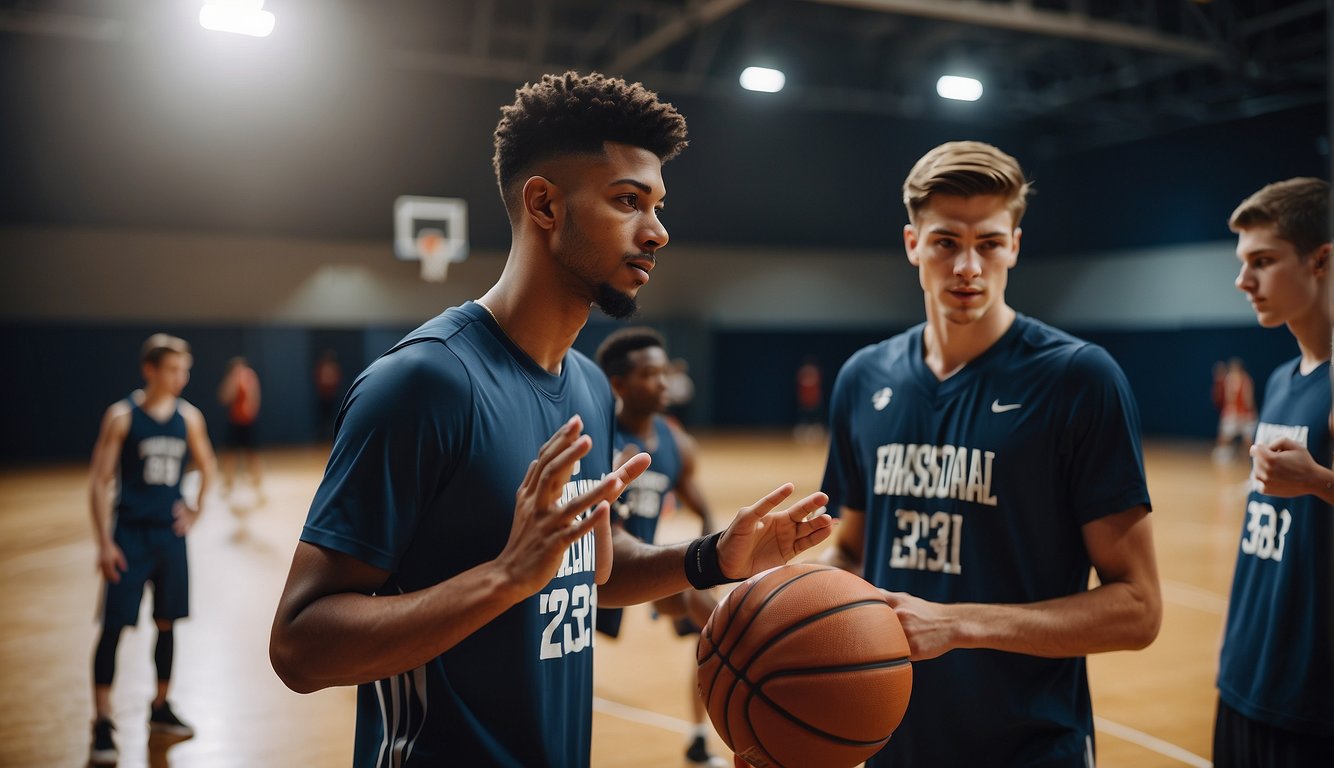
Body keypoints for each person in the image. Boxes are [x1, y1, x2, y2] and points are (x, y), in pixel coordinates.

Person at [267, 71, 832, 768]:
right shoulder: (425, 384)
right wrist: (503, 579)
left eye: (657, 205)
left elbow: (591, 568)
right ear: (544, 204)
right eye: (628, 201)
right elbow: (299, 645)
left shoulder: (590, 386)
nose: (657, 231)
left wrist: (711, 559)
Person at [819, 140, 1161, 767]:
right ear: (912, 244)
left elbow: (1137, 609)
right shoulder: (863, 378)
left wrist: (957, 624)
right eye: (947, 242)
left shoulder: (1079, 379)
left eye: (990, 244)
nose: (968, 267)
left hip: (1029, 743)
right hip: (887, 734)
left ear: (1015, 247)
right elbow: (851, 550)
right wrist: (781, 601)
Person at [1214, 177, 1333, 766]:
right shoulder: (1283, 380)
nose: (1244, 281)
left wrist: (1320, 482)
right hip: (1245, 675)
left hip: (1310, 700)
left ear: (1321, 260)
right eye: (1243, 263)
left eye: (1262, 261)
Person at [594, 326, 724, 767]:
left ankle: (699, 737)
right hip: (586, 572)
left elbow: (702, 506)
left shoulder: (676, 444)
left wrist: (710, 560)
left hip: (639, 566)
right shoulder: (596, 434)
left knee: (715, 620)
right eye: (650, 374)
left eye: (664, 372)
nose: (663, 382)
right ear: (619, 384)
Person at [86, 333, 217, 765]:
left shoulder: (190, 417)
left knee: (167, 622)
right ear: (151, 370)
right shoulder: (123, 417)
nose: (182, 377)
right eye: (174, 369)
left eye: (185, 370)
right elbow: (98, 481)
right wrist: (104, 542)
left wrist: (195, 510)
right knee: (114, 627)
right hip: (129, 535)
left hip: (169, 537)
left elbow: (208, 465)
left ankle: (160, 707)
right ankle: (103, 720)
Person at [217, 356, 263, 500]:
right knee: (230, 453)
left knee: (251, 453)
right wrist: (232, 383)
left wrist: (251, 411)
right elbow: (224, 398)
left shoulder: (249, 376)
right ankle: (229, 483)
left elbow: (254, 396)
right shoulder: (231, 379)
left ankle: (257, 483)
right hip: (235, 421)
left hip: (248, 422)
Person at [1214, 357, 1259, 464]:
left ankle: (1252, 458)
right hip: (1233, 413)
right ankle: (1223, 455)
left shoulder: (1246, 380)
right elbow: (1224, 396)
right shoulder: (1228, 379)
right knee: (1225, 436)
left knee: (1248, 439)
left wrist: (1249, 413)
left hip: (1245, 414)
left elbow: (1249, 399)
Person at [793, 355, 824, 443]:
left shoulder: (815, 372)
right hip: (805, 400)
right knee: (804, 416)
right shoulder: (803, 373)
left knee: (814, 416)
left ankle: (815, 433)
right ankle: (803, 431)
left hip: (814, 400)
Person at [314, 349, 343, 442]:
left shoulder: (334, 368)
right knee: (323, 418)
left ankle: (332, 436)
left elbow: (336, 379)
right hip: (323, 396)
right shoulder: (322, 367)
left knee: (333, 417)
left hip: (332, 396)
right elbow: (319, 379)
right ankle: (322, 436)